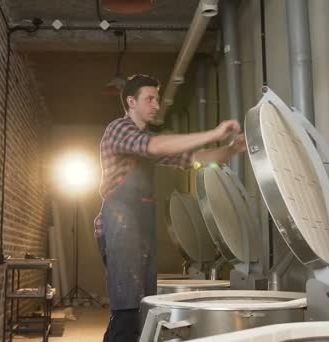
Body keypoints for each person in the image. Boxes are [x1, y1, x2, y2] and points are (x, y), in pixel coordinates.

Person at [94, 74, 247, 342]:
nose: (156, 105)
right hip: (119, 222)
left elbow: (197, 158)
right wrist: (214, 132)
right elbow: (153, 145)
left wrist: (232, 149)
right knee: (127, 309)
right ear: (131, 101)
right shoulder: (118, 129)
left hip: (141, 224)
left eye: (157, 99)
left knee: (141, 307)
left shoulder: (147, 141)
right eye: (149, 98)